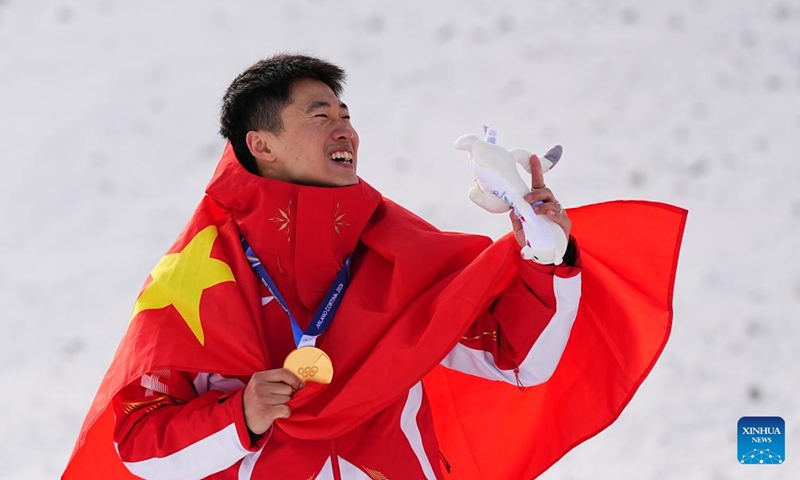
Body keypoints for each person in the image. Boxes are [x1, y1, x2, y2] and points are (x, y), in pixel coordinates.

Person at [63, 54, 687, 480]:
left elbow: (514, 358)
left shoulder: (397, 248)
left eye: (346, 115)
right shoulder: (194, 276)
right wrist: (240, 417)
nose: (346, 131)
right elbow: (139, 447)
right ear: (261, 145)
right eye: (320, 115)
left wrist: (544, 254)